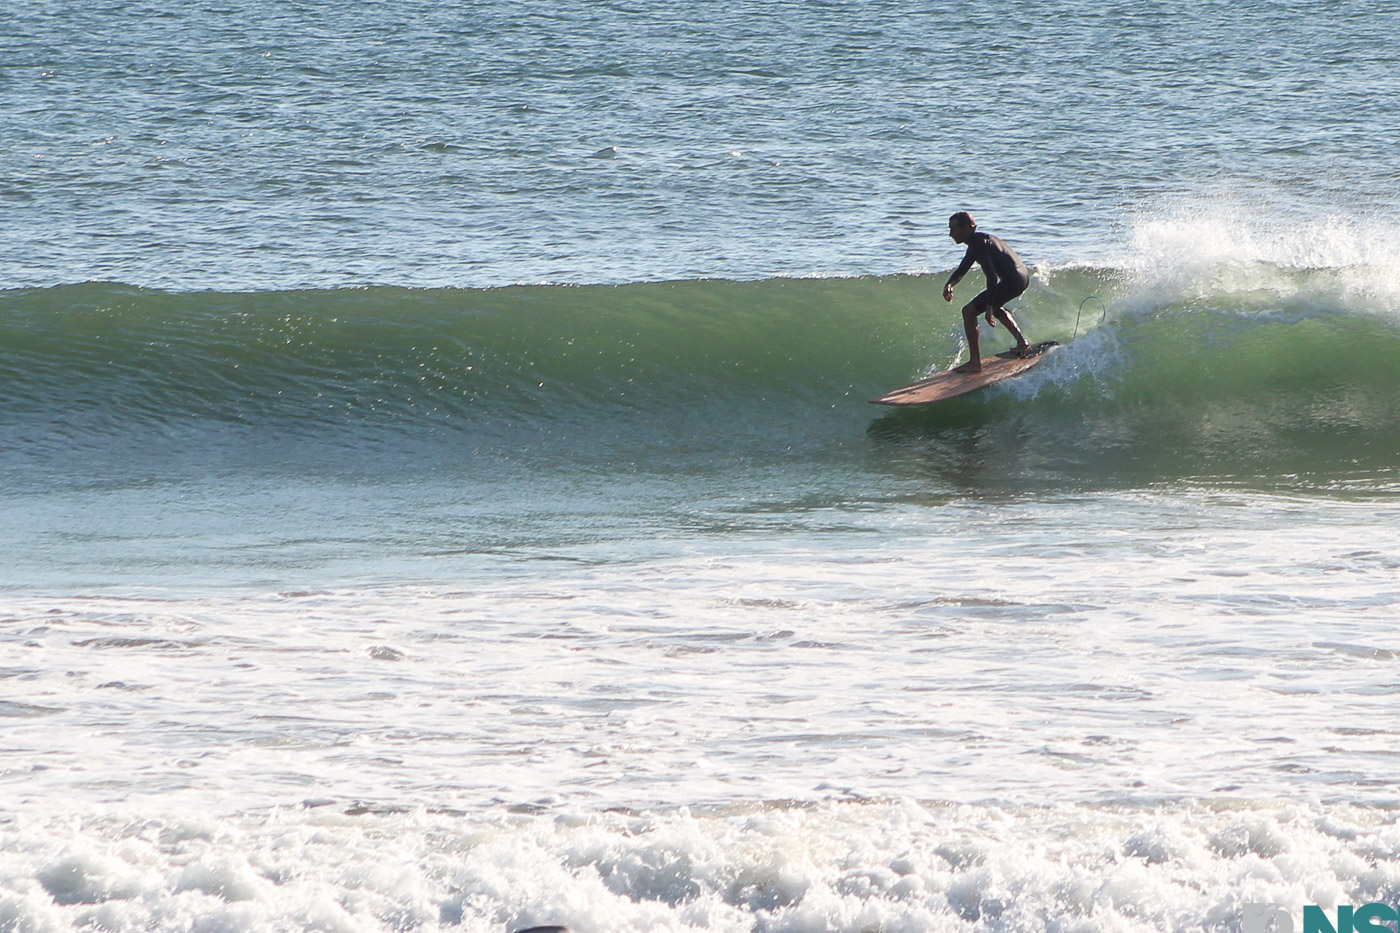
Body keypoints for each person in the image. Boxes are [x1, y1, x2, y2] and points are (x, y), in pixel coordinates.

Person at [941, 212, 1031, 373]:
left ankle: (975, 362)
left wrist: (988, 307)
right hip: (1021, 276)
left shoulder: (978, 244)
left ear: (967, 228)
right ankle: (1022, 343)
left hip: (1012, 280)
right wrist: (950, 284)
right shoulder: (979, 241)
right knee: (995, 308)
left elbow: (991, 277)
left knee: (968, 312)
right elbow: (963, 268)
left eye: (953, 229)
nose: (950, 234)